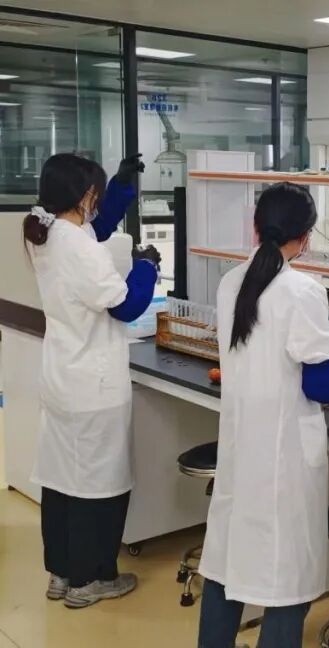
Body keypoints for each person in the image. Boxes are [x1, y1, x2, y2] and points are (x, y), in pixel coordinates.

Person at [198, 182, 329, 648]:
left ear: (255, 227)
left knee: (227, 565)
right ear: (306, 237)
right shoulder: (300, 290)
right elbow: (322, 382)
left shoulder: (231, 282)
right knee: (285, 583)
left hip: (242, 451)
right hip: (282, 461)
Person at [24, 153, 160, 609]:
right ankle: (91, 580)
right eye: (97, 195)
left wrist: (120, 188)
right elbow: (127, 306)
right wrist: (146, 267)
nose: (98, 203)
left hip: (63, 379)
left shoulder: (45, 229)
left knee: (62, 482)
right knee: (98, 487)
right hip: (93, 385)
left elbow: (94, 229)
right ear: (84, 196)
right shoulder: (78, 247)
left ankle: (62, 574)